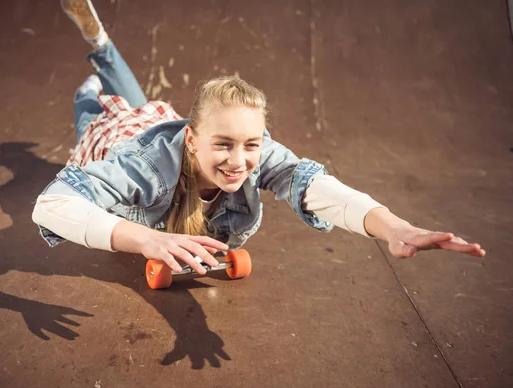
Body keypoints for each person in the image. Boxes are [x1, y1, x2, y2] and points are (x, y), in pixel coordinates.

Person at [32, 0, 485, 275]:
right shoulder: (143, 165)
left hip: (166, 125)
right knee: (104, 118)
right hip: (122, 141)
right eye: (224, 144)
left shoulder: (253, 151)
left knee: (148, 108)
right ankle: (90, 85)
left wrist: (395, 227)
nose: (239, 160)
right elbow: (52, 204)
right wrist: (146, 240)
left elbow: (313, 185)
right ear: (192, 140)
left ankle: (105, 54)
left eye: (251, 144)